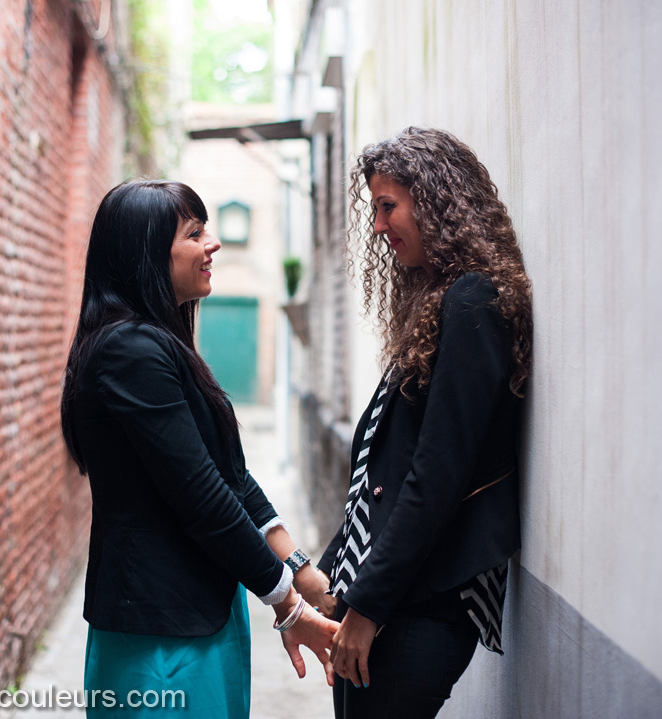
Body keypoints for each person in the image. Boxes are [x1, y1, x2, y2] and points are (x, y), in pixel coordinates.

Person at [60, 180, 338, 718]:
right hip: (160, 630)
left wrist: (301, 573)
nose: (212, 244)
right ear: (147, 254)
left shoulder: (161, 345)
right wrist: (286, 604)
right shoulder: (129, 351)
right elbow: (202, 495)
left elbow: (230, 476)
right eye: (195, 232)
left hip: (201, 610)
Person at [318, 127, 533, 718]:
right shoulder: (441, 299)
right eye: (376, 208)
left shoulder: (472, 300)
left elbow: (438, 472)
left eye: (389, 206)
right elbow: (385, 464)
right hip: (395, 591)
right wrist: (338, 572)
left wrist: (368, 607)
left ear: (436, 202)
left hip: (423, 601)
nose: (379, 226)